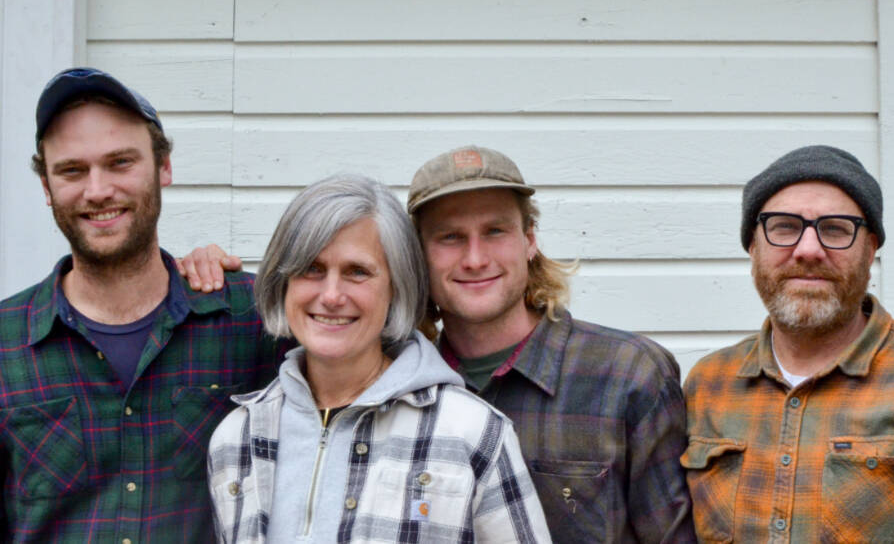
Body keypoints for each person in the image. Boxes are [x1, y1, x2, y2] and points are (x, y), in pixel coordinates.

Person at [181, 146, 694, 542]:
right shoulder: (268, 419)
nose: (474, 259)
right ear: (416, 258)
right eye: (449, 237)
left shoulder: (624, 374)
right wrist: (199, 273)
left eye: (495, 231)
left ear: (530, 238)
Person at [0, 68, 282, 542]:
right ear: (47, 188)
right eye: (72, 170)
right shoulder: (7, 343)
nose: (98, 190)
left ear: (163, 167)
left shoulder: (250, 319)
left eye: (120, 162)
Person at [682, 145, 894, 543]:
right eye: (783, 227)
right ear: (753, 248)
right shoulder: (708, 383)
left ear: (869, 250)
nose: (809, 250)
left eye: (835, 229)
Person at [208, 174, 549, 543]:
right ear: (284, 283)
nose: (332, 295)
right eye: (312, 269)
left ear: (395, 288)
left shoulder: (472, 432)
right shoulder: (236, 437)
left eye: (358, 272)